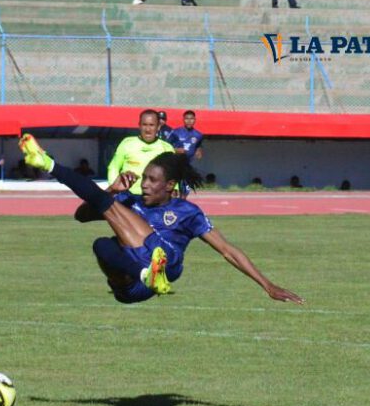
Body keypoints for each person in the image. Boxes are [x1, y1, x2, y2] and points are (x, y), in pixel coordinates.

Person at [18, 134, 303, 305]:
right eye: (144, 179)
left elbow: (228, 250)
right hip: (133, 287)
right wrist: (113, 189)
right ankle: (145, 274)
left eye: (152, 181)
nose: (144, 185)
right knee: (101, 244)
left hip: (167, 262)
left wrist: (267, 285)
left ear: (170, 186)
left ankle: (48, 163)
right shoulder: (129, 199)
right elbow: (81, 216)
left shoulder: (187, 212)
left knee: (116, 213)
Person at [107, 109, 175, 195]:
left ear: (158, 127)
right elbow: (113, 167)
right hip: (127, 197)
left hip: (154, 198)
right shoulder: (127, 143)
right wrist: (114, 187)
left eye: (151, 125)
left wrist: (174, 189)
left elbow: (173, 173)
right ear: (139, 126)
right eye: (144, 125)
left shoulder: (167, 148)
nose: (148, 129)